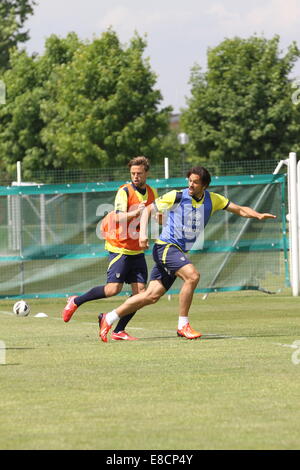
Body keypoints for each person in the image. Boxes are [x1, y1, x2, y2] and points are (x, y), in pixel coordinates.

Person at [98, 166, 276, 342]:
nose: (190, 185)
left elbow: (240, 210)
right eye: (189, 181)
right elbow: (148, 210)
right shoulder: (176, 195)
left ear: (204, 185)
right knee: (192, 276)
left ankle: (109, 317)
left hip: (176, 250)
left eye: (195, 182)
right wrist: (143, 235)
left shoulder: (214, 199)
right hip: (166, 247)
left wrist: (258, 215)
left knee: (150, 296)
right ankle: (183, 325)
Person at [62, 156, 159, 340]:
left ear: (147, 173)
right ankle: (76, 301)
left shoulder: (152, 192)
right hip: (119, 247)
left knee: (141, 294)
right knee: (113, 289)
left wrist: (159, 217)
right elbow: (118, 217)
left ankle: (118, 330)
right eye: (132, 173)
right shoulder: (124, 191)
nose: (135, 176)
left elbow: (155, 215)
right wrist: (136, 212)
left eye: (139, 173)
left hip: (137, 250)